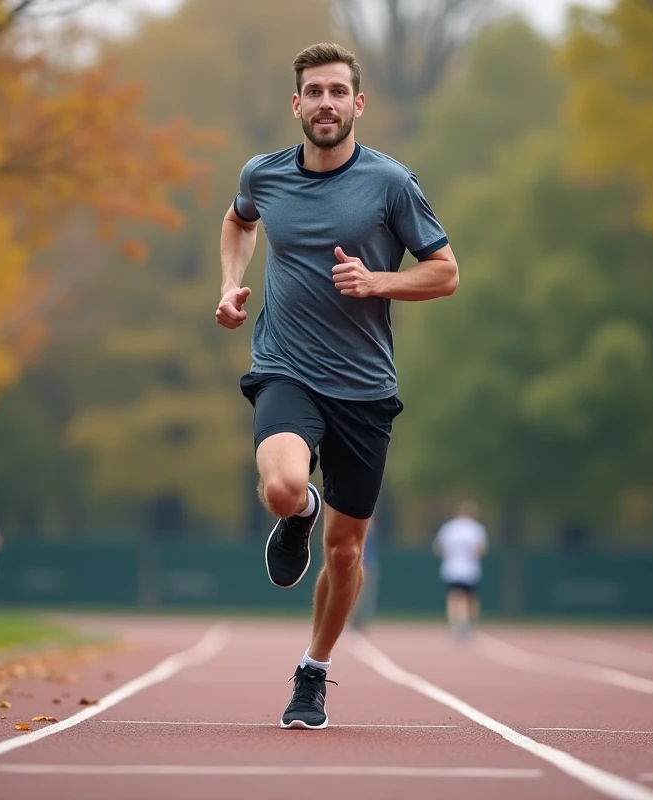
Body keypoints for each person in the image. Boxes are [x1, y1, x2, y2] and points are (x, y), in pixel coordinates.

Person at [215, 42, 459, 729]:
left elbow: (445, 271)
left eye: (337, 91)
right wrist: (232, 285)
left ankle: (313, 671)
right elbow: (239, 221)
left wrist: (378, 281)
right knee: (284, 487)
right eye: (313, 92)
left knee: (347, 551)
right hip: (286, 367)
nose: (326, 102)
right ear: (297, 104)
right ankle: (299, 510)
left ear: (359, 103)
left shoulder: (390, 184)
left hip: (365, 388)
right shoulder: (263, 174)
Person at [433, 501, 488, 639]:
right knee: (469, 598)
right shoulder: (476, 529)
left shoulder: (449, 528)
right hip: (469, 570)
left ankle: (456, 625)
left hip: (452, 569)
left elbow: (439, 549)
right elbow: (481, 549)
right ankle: (466, 624)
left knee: (454, 598)